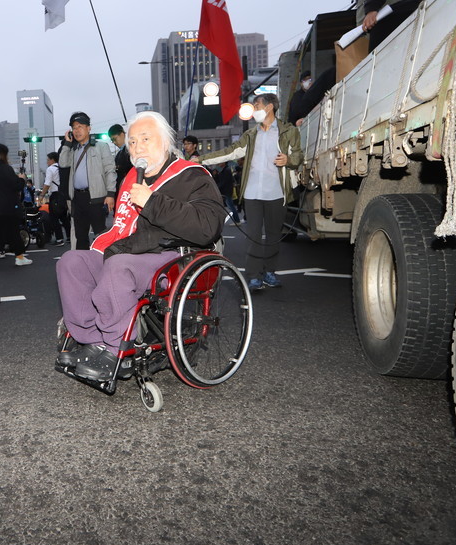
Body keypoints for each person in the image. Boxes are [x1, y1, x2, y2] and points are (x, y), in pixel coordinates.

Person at [56, 111, 223, 381]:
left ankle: (116, 346)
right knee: (71, 262)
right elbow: (121, 228)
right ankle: (91, 340)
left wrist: (152, 202)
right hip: (128, 249)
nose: (137, 147)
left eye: (145, 139)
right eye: (132, 142)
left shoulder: (191, 176)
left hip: (168, 254)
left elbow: (207, 226)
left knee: (118, 266)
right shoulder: (132, 177)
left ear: (166, 142)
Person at [198, 93, 303, 291]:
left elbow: (298, 156)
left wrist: (289, 160)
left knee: (273, 235)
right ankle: (254, 276)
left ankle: (270, 273)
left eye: (257, 106)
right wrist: (201, 159)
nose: (254, 110)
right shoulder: (250, 135)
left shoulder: (288, 132)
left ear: (269, 107)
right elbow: (229, 152)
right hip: (252, 193)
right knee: (253, 235)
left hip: (277, 192)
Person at [58, 111, 116, 250]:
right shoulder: (72, 150)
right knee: (80, 237)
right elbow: (63, 164)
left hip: (96, 198)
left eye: (80, 126)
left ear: (89, 128)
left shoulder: (101, 146)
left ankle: (103, 266)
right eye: (74, 128)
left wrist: (110, 194)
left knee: (100, 236)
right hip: (78, 199)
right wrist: (67, 144)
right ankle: (82, 268)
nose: (77, 130)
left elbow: (110, 170)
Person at [0, 143, 32, 266]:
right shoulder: (6, 168)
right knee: (13, 232)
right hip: (8, 207)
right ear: (4, 154)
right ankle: (19, 257)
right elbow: (16, 185)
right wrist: (22, 179)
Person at [39, 151, 69, 247]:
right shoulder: (61, 168)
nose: (47, 162)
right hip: (64, 195)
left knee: (54, 218)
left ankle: (59, 239)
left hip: (55, 196)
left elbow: (47, 184)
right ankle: (69, 237)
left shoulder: (50, 169)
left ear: (52, 160)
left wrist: (42, 195)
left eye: (48, 160)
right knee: (64, 218)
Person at [108, 123, 132, 192]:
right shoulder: (119, 154)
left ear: (122, 134)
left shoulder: (132, 150)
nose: (114, 142)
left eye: (115, 139)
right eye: (112, 140)